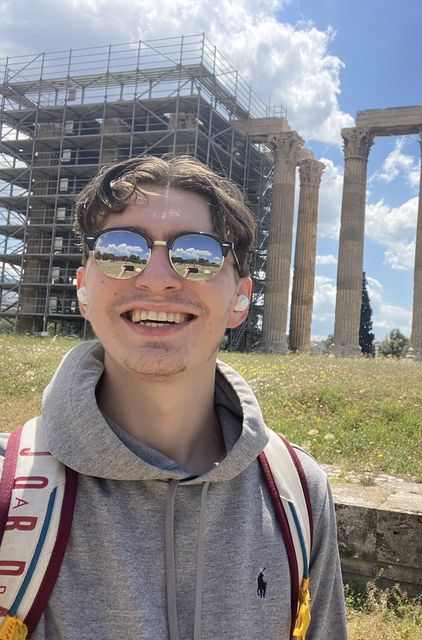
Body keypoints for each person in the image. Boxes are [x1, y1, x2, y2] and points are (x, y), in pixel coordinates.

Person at [0, 156, 348, 639]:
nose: (157, 278)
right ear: (83, 289)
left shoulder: (300, 493)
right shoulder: (6, 491)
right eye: (121, 249)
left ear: (240, 299)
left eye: (198, 255)